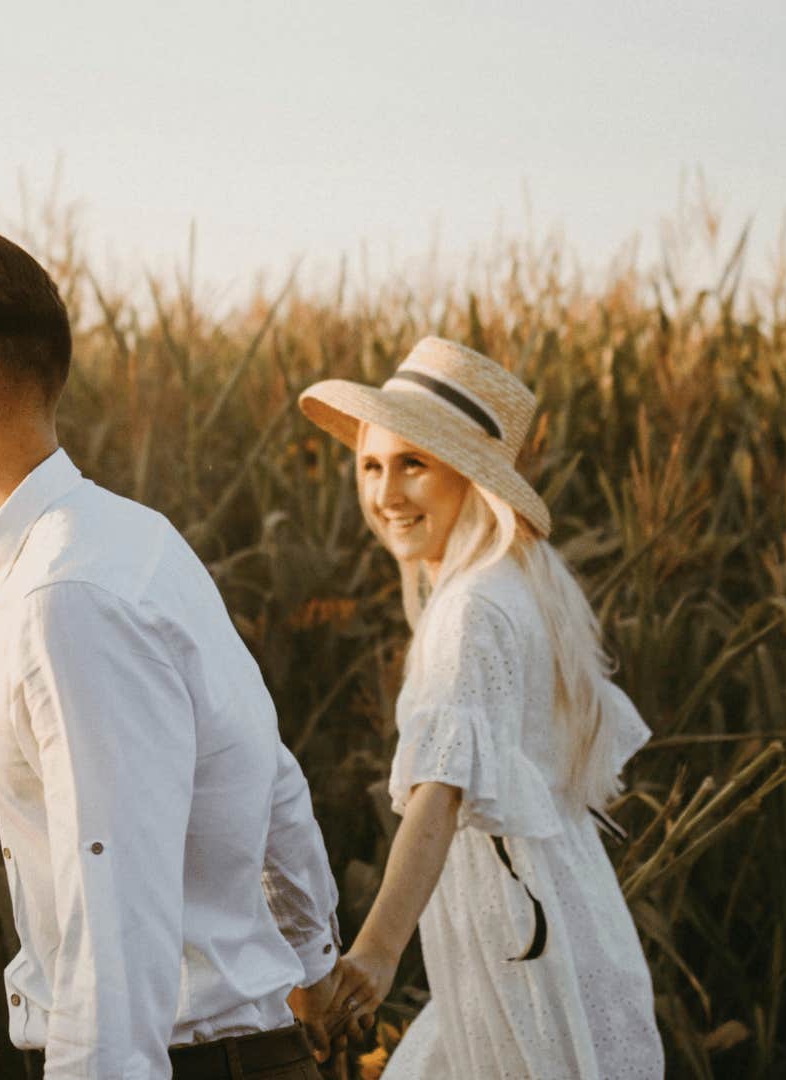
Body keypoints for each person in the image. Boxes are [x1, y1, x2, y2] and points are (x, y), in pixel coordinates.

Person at [0, 226, 345, 1079]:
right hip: (239, 1053)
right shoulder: (130, 541)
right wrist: (311, 968)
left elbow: (109, 927)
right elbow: (275, 779)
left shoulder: (64, 598)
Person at [298, 337, 664, 1077]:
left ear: (468, 475)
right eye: (372, 465)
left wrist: (374, 953)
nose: (386, 494)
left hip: (522, 951)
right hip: (555, 930)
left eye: (414, 464)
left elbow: (440, 794)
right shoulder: (519, 582)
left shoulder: (470, 608)